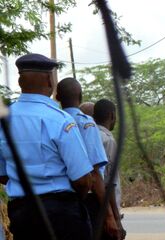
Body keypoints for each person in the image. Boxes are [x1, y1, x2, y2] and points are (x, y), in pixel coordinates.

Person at [0, 53, 94, 240]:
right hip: (61, 214)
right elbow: (83, 180)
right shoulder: (60, 120)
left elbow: (2, 175)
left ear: (20, 82)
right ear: (50, 81)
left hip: (22, 214)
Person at [56, 78, 121, 240]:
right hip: (91, 199)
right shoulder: (86, 124)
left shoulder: (54, 120)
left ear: (57, 97)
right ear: (80, 95)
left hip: (58, 201)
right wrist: (111, 217)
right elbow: (97, 175)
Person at [93, 99, 126, 239]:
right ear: (112, 116)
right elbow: (109, 183)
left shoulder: (91, 135)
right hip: (106, 211)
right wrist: (116, 219)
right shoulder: (108, 140)